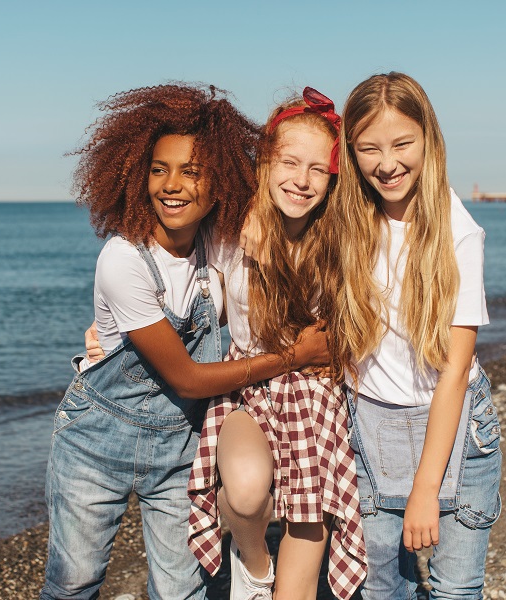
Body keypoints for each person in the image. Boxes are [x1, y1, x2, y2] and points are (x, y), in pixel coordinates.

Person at [42, 83, 331, 600]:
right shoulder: (123, 259)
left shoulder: (215, 245)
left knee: (182, 590)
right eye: (159, 169)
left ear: (219, 184)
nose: (171, 185)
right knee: (74, 582)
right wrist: (295, 357)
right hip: (95, 446)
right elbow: (188, 377)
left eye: (192, 171)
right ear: (138, 174)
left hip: (178, 446)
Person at [323, 72, 502, 599]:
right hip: (368, 427)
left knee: (454, 590)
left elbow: (453, 374)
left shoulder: (457, 233)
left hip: (455, 431)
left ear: (429, 139)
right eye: (369, 149)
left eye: (403, 144)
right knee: (381, 589)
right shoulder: (348, 222)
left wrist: (426, 487)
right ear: (351, 152)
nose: (387, 163)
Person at [187, 88, 366, 600]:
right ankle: (255, 566)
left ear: (334, 179)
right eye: (289, 162)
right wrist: (110, 331)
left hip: (316, 401)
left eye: (318, 169)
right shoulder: (229, 235)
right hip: (250, 386)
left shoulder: (339, 241)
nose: (302, 180)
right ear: (264, 162)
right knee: (243, 493)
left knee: (299, 580)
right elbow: (195, 300)